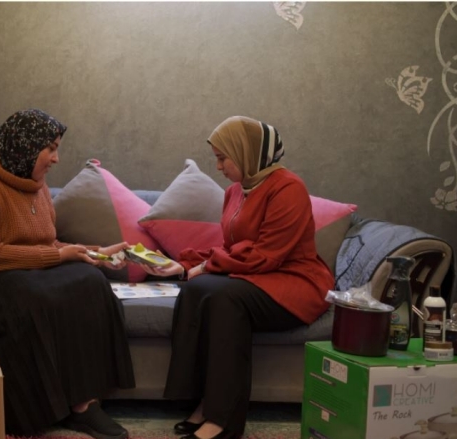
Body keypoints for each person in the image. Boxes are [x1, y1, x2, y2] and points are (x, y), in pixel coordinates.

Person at [0, 108, 135, 439]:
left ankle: (83, 404)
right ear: (25, 146)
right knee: (31, 295)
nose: (56, 158)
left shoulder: (38, 186)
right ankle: (35, 411)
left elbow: (47, 243)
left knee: (89, 281)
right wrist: (58, 256)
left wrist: (91, 253)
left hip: (21, 274)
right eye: (51, 147)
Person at [138, 116, 334, 439]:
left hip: (294, 282)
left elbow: (267, 255)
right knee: (194, 289)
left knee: (225, 298)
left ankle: (222, 421)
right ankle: (202, 400)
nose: (218, 167)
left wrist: (203, 267)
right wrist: (186, 268)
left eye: (222, 158)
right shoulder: (234, 192)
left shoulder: (289, 188)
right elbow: (233, 249)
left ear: (246, 153)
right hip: (257, 276)